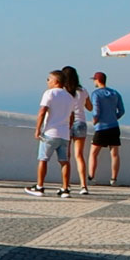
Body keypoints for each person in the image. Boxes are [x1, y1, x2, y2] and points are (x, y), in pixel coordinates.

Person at [28, 68, 81, 197]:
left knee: (43, 159)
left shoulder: (49, 93)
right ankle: (65, 189)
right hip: (64, 134)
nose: (47, 82)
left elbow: (42, 112)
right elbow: (72, 116)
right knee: (64, 161)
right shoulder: (69, 96)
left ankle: (39, 186)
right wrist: (67, 128)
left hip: (50, 133)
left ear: (56, 81)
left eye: (49, 79)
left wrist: (37, 130)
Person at [88, 71, 123, 187]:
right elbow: (121, 110)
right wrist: (114, 117)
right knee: (114, 154)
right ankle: (114, 179)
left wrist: (95, 121)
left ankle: (91, 177)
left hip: (101, 127)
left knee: (93, 153)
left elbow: (96, 111)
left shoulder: (96, 94)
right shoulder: (115, 93)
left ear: (97, 80)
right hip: (114, 126)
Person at [63, 66, 93, 195]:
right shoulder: (83, 90)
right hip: (80, 123)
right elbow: (90, 107)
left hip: (67, 124)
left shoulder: (63, 91)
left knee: (67, 156)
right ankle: (83, 186)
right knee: (79, 156)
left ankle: (67, 185)